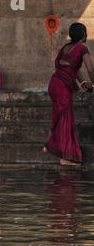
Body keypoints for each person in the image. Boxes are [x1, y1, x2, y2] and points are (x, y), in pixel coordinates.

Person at [43, 22, 94, 166]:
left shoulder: (65, 48)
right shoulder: (82, 48)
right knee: (66, 120)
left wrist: (83, 83)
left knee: (61, 118)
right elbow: (90, 70)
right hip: (62, 87)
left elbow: (73, 68)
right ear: (84, 35)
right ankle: (65, 157)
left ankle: (50, 146)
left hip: (54, 84)